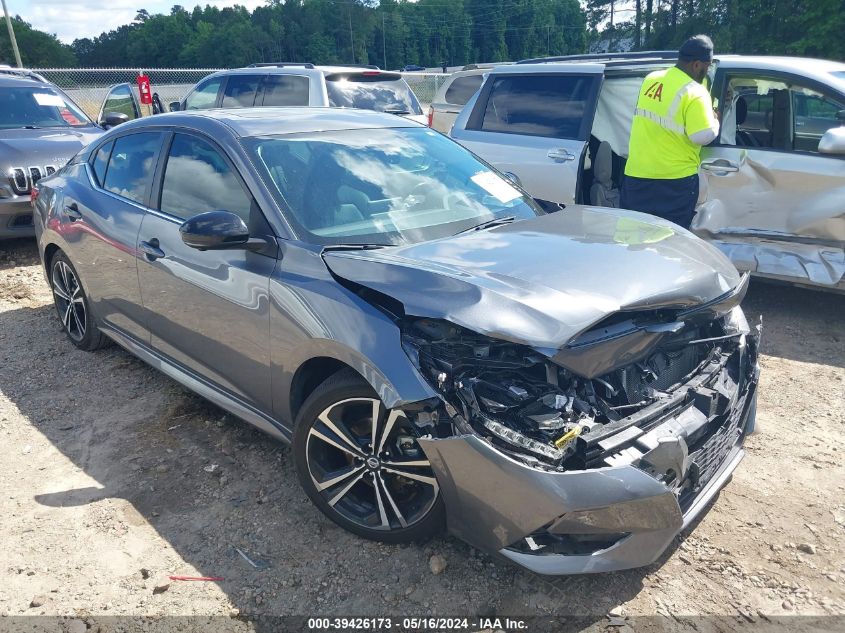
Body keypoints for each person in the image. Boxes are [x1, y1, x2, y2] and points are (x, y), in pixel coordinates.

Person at [621, 35, 720, 229]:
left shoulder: (652, 79)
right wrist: (715, 121)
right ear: (697, 65)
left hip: (636, 177)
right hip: (673, 182)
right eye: (707, 67)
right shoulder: (695, 92)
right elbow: (702, 135)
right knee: (670, 243)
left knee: (634, 237)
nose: (707, 71)